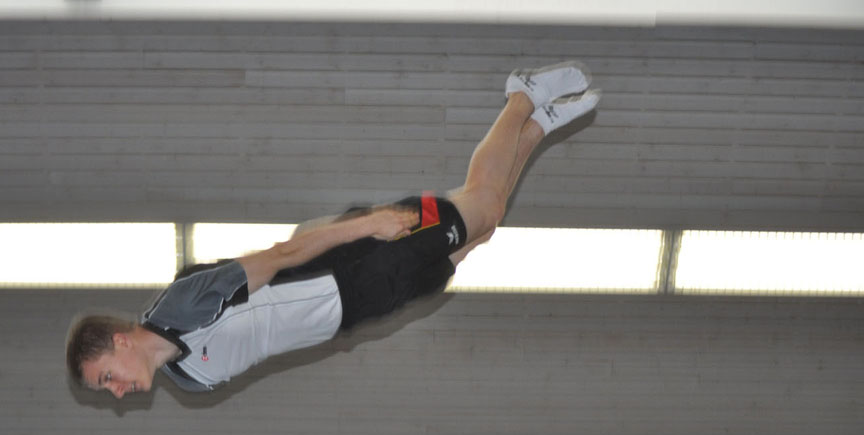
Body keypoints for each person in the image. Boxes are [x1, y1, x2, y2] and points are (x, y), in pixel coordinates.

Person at [67, 62, 600, 398]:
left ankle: (521, 96)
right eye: (105, 389)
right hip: (355, 308)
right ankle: (537, 126)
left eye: (106, 376)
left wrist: (368, 223)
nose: (116, 391)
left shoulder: (182, 306)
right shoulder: (188, 380)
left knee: (477, 208)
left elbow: (282, 255)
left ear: (119, 341)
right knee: (481, 230)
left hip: (353, 261)